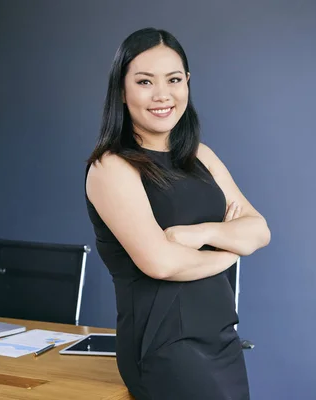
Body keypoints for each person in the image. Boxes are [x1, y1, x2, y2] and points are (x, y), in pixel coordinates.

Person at [84, 27, 271, 400]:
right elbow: (160, 263)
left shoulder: (200, 155)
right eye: (144, 82)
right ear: (122, 90)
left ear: (187, 83)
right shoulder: (111, 167)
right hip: (164, 346)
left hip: (221, 336)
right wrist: (231, 248)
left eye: (173, 79)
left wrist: (200, 234)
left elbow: (259, 230)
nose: (162, 95)